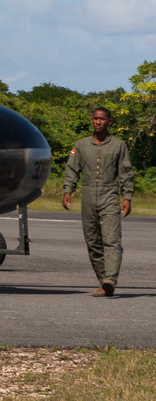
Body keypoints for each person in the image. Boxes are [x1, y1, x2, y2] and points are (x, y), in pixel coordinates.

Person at [62, 107, 134, 296]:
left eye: (102, 119)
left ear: (109, 122)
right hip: (87, 195)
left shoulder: (119, 146)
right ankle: (104, 282)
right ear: (92, 121)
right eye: (95, 118)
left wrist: (127, 197)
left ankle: (110, 278)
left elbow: (126, 173)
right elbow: (71, 169)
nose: (98, 122)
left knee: (111, 239)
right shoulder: (81, 145)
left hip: (109, 194)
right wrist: (67, 190)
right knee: (92, 241)